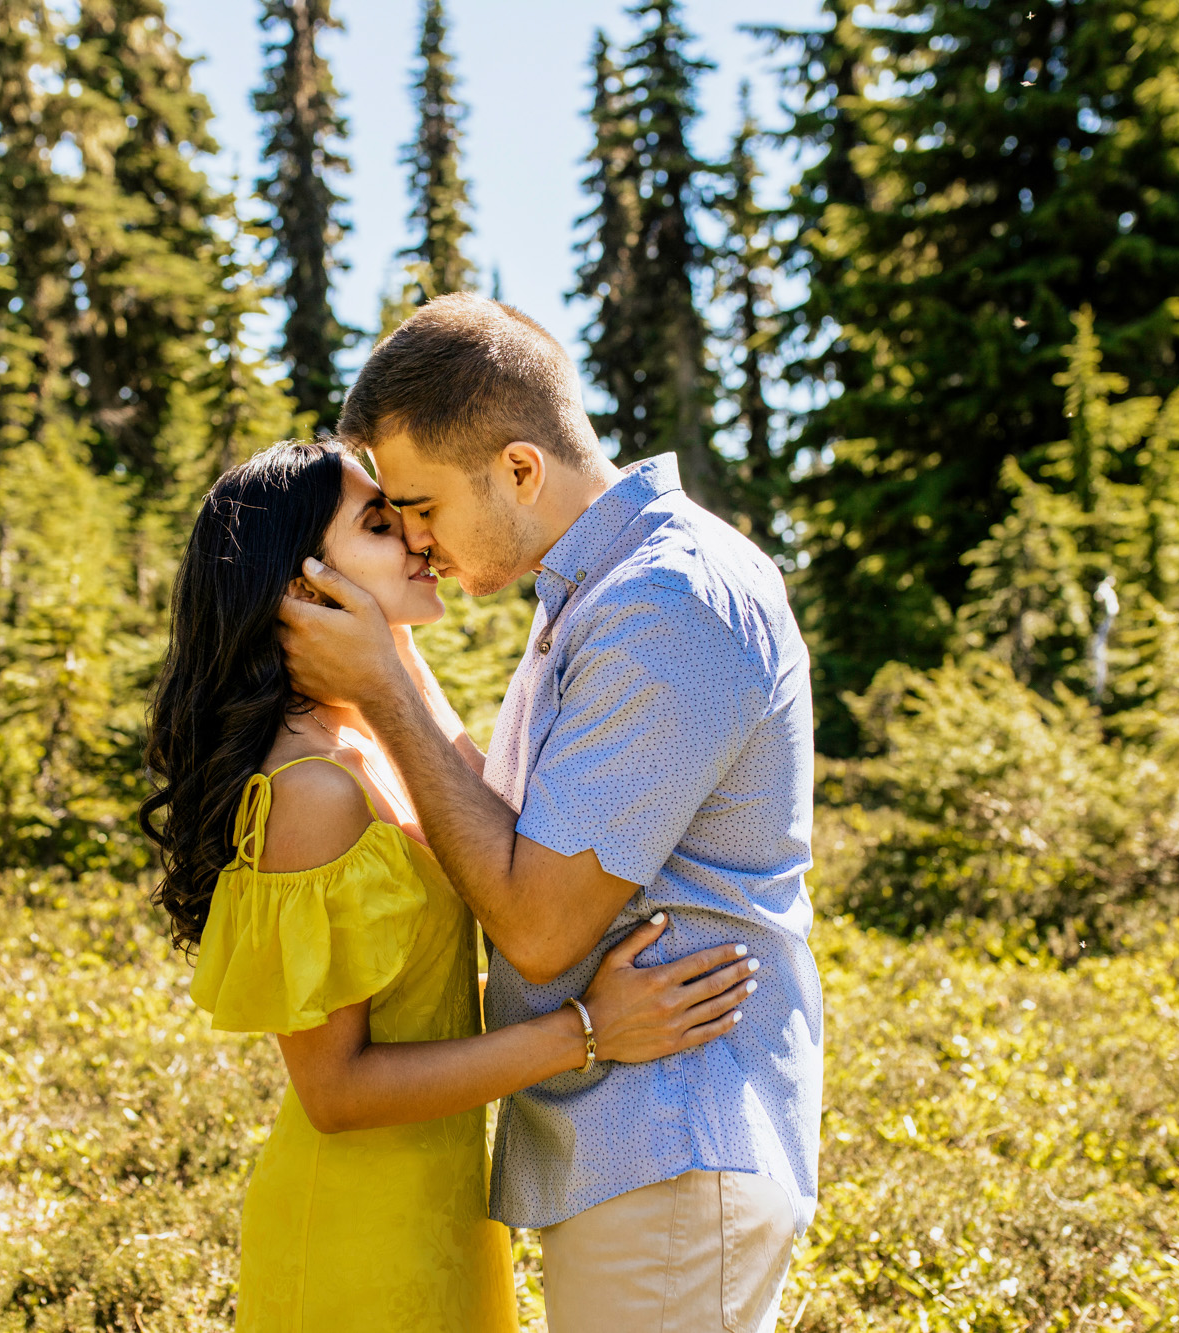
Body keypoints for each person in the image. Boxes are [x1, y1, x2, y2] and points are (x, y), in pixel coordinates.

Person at [278, 294, 822, 1333]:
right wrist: (388, 662)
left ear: (520, 469)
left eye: (424, 506)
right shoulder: (604, 590)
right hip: (638, 1145)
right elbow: (518, 831)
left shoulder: (665, 604)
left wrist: (388, 695)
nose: (419, 542)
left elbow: (535, 922)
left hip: (668, 1136)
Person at [139, 439, 763, 1333]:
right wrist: (587, 1032)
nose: (420, 542)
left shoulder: (366, 750)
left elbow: (417, 988)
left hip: (444, 1209)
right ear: (304, 582)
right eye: (380, 524)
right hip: (359, 1234)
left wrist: (388, 668)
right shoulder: (311, 790)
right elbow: (337, 1089)